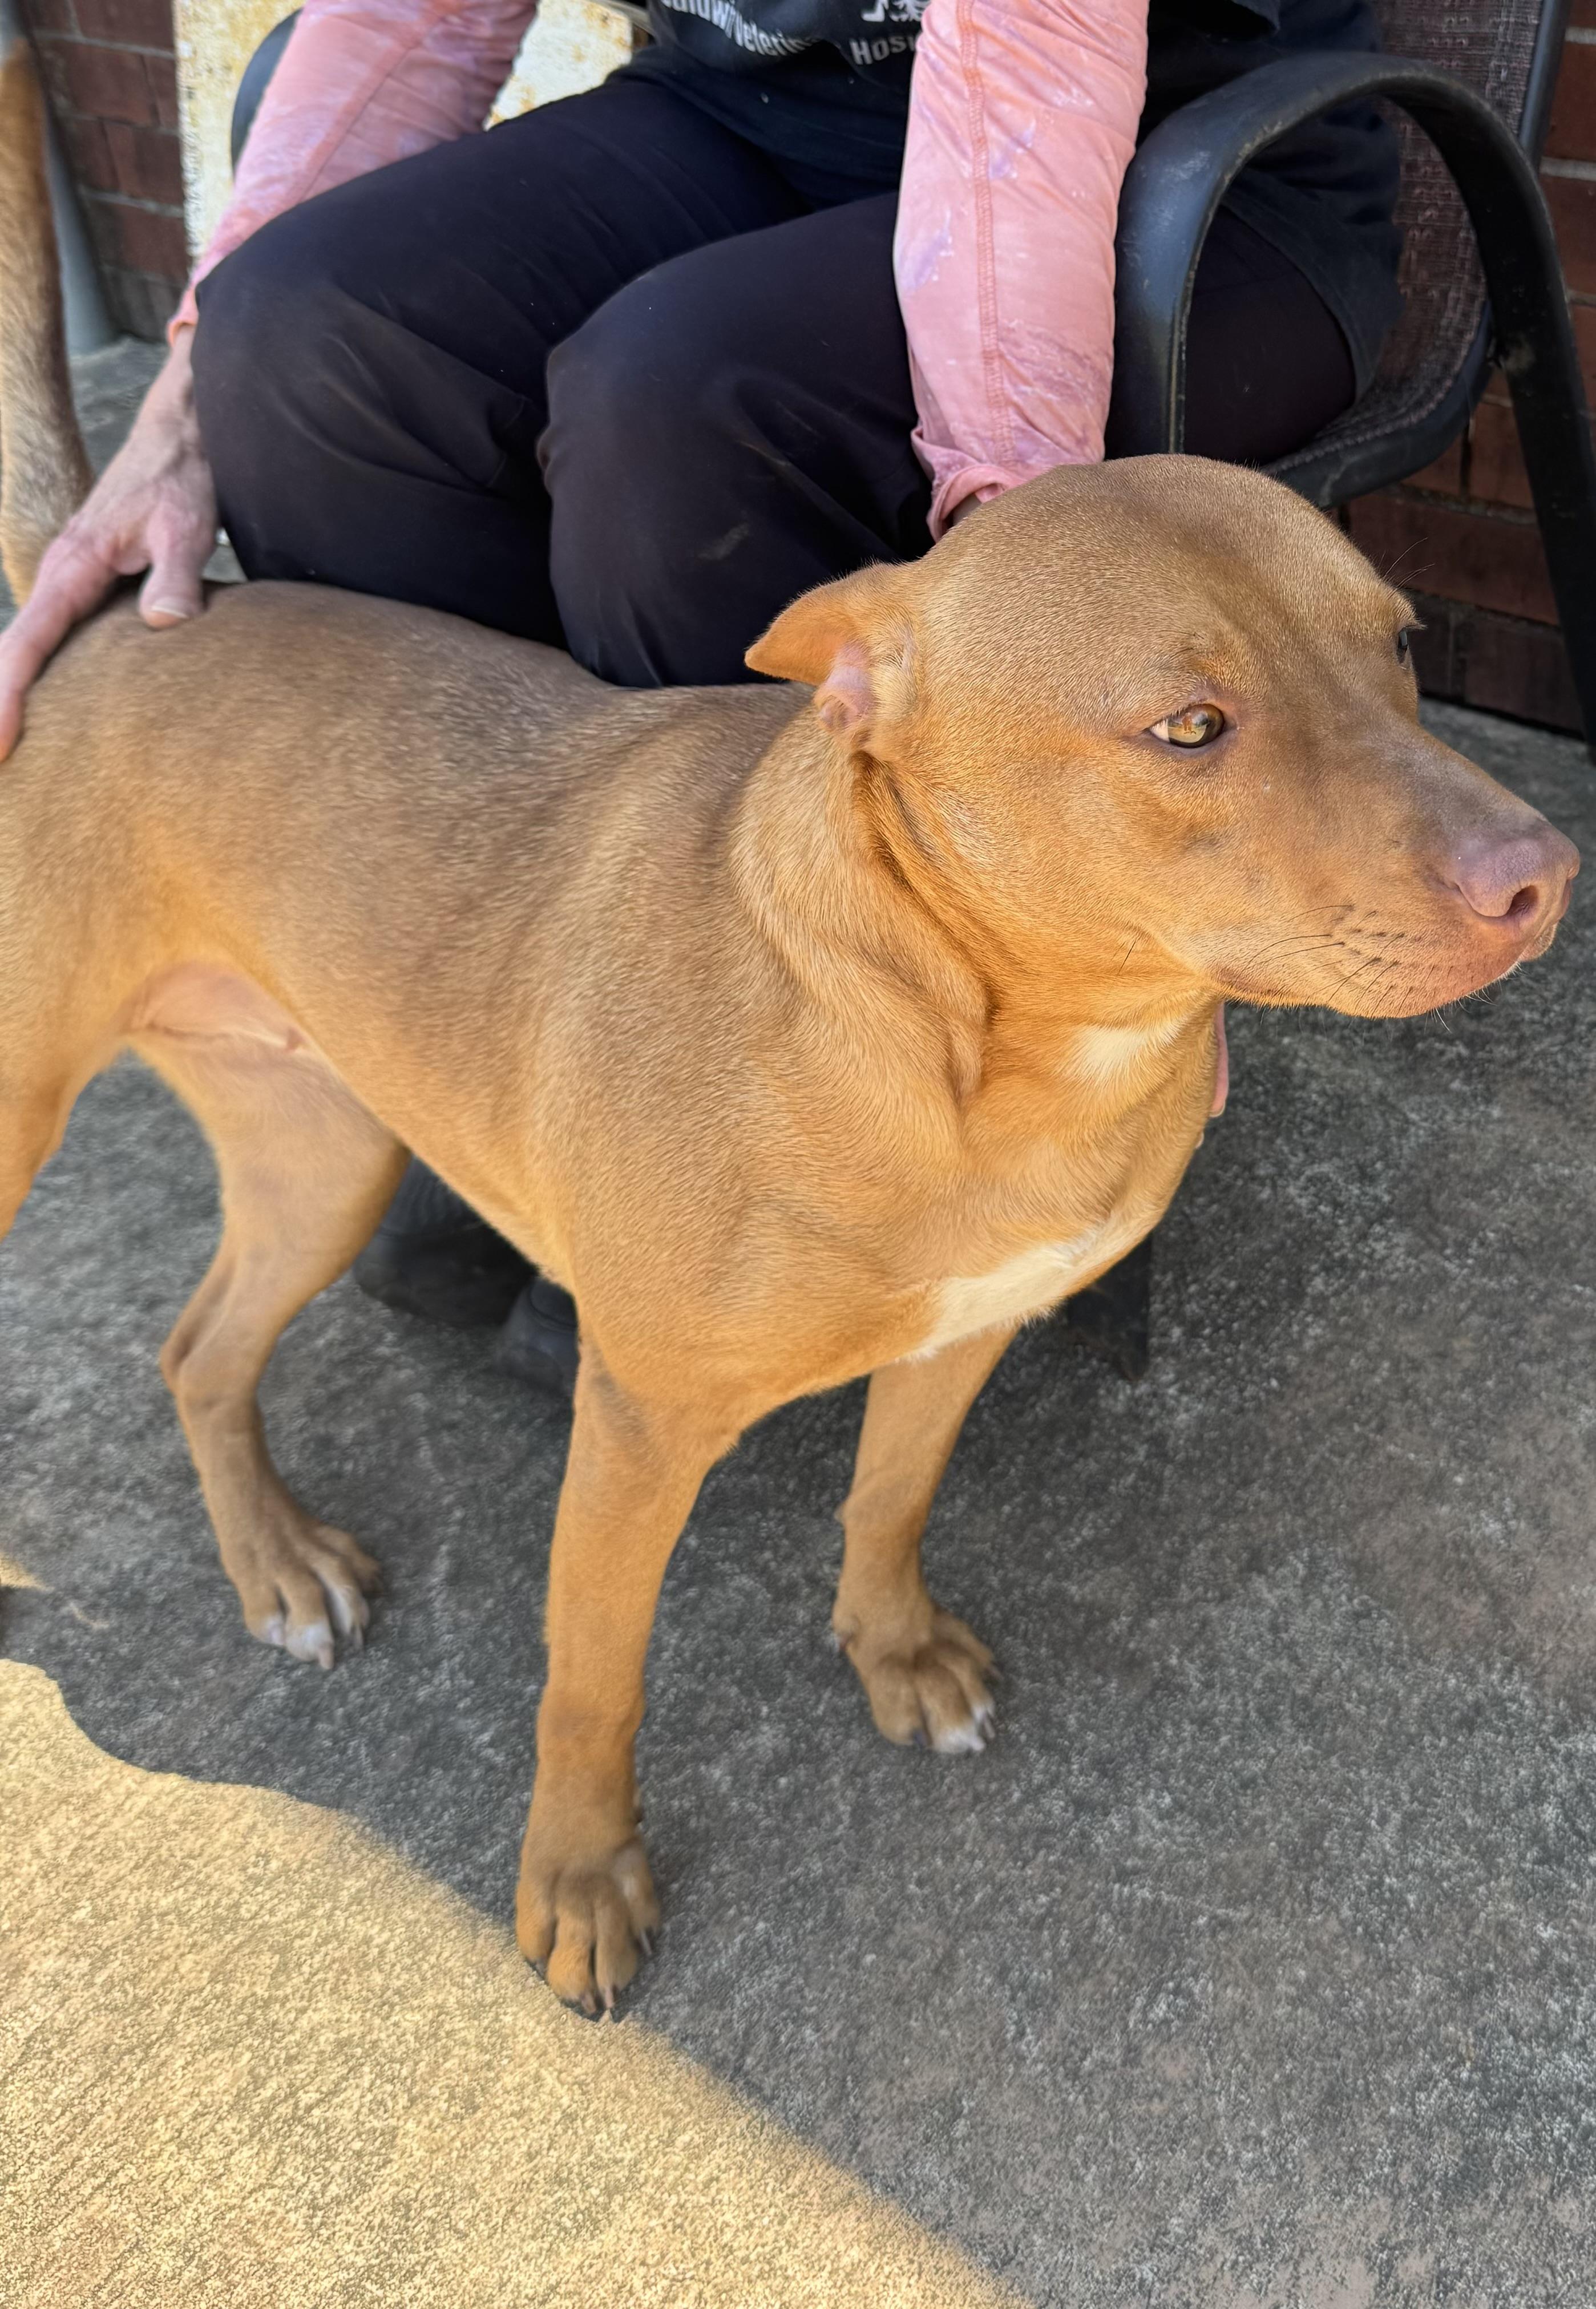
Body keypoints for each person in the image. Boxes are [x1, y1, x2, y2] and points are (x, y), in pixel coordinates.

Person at [0, 0, 1403, 1390]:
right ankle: (509, 1029)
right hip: (759, 113)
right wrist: (182, 410)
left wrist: (1045, 709)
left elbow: (1030, 43)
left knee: (680, 407)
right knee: (307, 333)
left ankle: (738, 1118)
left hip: (1186, 168)